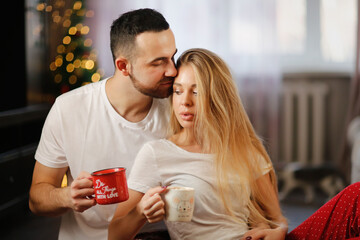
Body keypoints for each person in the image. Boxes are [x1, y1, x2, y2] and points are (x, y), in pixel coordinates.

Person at [109, 48, 360, 240]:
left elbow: (277, 218)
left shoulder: (244, 149)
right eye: (178, 90)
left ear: (217, 97)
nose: (184, 102)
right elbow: (114, 233)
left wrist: (278, 231)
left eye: (196, 92)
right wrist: (141, 211)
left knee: (356, 194)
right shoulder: (157, 154)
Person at [29, 8, 177, 240]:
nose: (173, 70)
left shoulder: (179, 109)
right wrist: (66, 196)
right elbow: (37, 198)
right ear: (123, 66)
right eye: (158, 63)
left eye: (172, 57)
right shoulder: (69, 108)